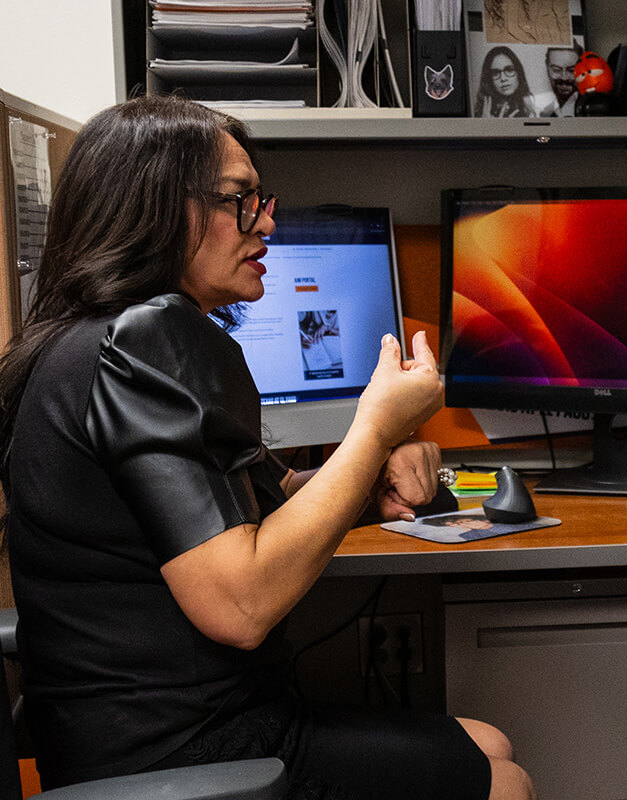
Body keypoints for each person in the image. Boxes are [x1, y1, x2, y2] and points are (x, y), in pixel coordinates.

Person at [0, 94, 535, 800]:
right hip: (187, 752)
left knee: (489, 745)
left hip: (110, 740)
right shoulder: (152, 339)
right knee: (505, 782)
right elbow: (241, 606)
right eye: (238, 201)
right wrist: (376, 427)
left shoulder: (71, 341)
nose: (268, 223)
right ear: (156, 208)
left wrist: (368, 470)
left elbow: (267, 499)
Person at [473, 46, 537, 118]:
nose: (503, 78)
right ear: (489, 79)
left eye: (509, 70)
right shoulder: (482, 114)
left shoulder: (535, 106)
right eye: (495, 73)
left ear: (518, 73)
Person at [539, 44, 582, 117]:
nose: (564, 78)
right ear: (547, 68)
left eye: (571, 70)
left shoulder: (589, 110)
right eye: (556, 70)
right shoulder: (543, 112)